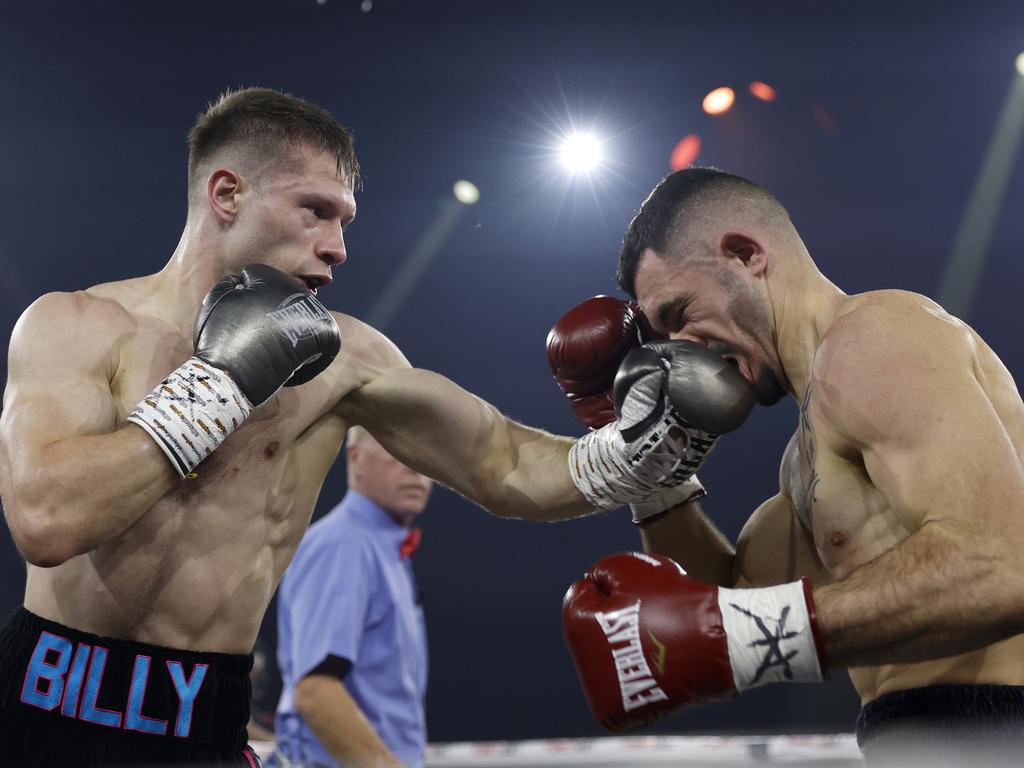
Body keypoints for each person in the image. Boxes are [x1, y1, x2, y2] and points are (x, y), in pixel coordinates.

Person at [0, 87, 733, 766]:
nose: (338, 247)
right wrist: (217, 389)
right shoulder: (77, 325)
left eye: (345, 221)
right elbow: (48, 518)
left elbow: (504, 466)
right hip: (41, 712)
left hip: (207, 728)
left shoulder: (347, 359)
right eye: (314, 211)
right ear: (226, 193)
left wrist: (643, 450)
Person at [551, 167, 1024, 766]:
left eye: (679, 312)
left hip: (1000, 729)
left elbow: (1003, 565)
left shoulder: (876, 337)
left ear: (746, 254)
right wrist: (645, 457)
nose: (681, 351)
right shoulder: (805, 459)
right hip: (914, 736)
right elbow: (717, 607)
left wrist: (740, 635)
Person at [270, 426, 432, 768]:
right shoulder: (344, 545)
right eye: (398, 449)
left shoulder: (383, 548)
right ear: (354, 457)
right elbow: (316, 694)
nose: (415, 466)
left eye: (424, 453)